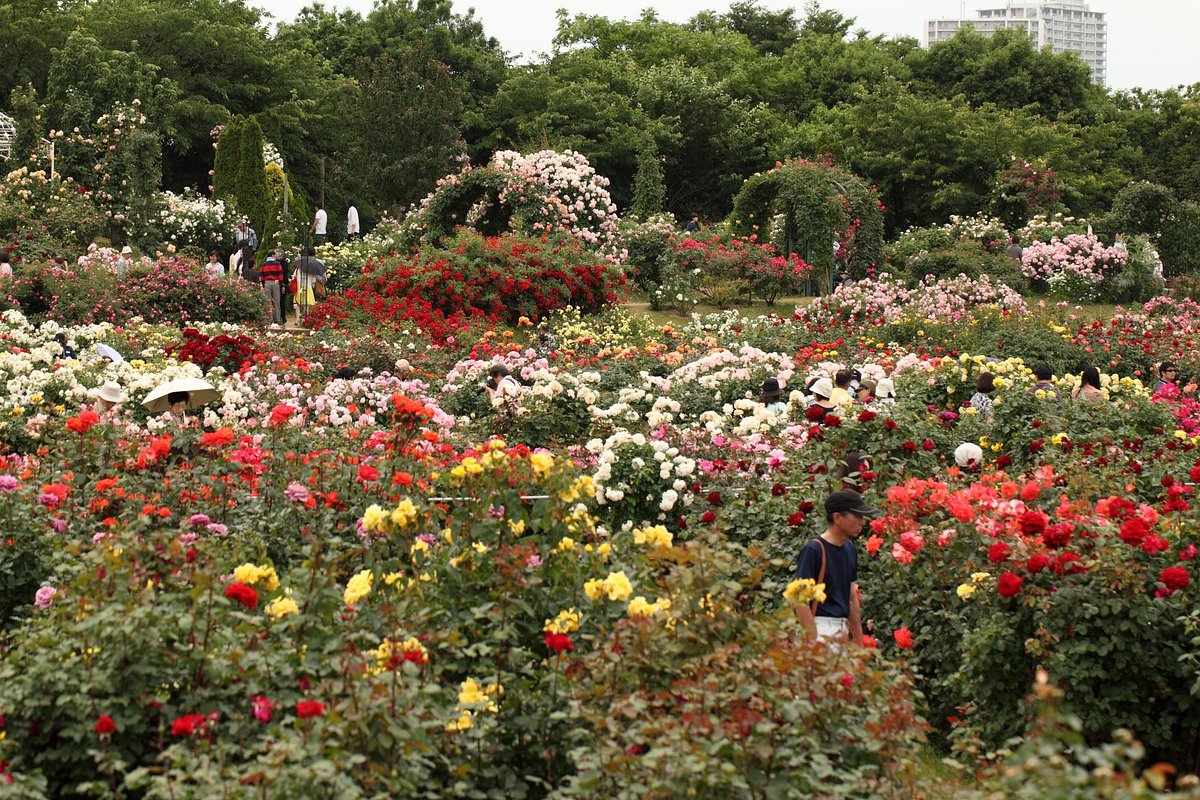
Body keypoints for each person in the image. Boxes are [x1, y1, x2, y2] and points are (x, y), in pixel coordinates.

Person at [793, 489, 877, 643]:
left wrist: (858, 640)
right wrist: (813, 640)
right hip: (820, 628)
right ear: (837, 517)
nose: (862, 522)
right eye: (857, 516)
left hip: (842, 631)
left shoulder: (849, 549)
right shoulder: (814, 550)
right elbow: (799, 599)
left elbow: (852, 597)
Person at [293, 246, 326, 326]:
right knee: (308, 304)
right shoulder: (315, 265)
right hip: (308, 286)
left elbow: (294, 275)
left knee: (297, 303)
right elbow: (316, 279)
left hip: (299, 286)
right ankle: (306, 319)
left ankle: (298, 318)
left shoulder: (300, 265)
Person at [259, 250, 285, 326]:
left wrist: (263, 284)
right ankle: (277, 319)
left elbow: (261, 275)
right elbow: (280, 275)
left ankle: (269, 318)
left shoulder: (263, 264)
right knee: (277, 301)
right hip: (276, 282)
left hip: (267, 282)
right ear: (273, 255)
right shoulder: (277, 264)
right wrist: (281, 284)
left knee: (268, 301)